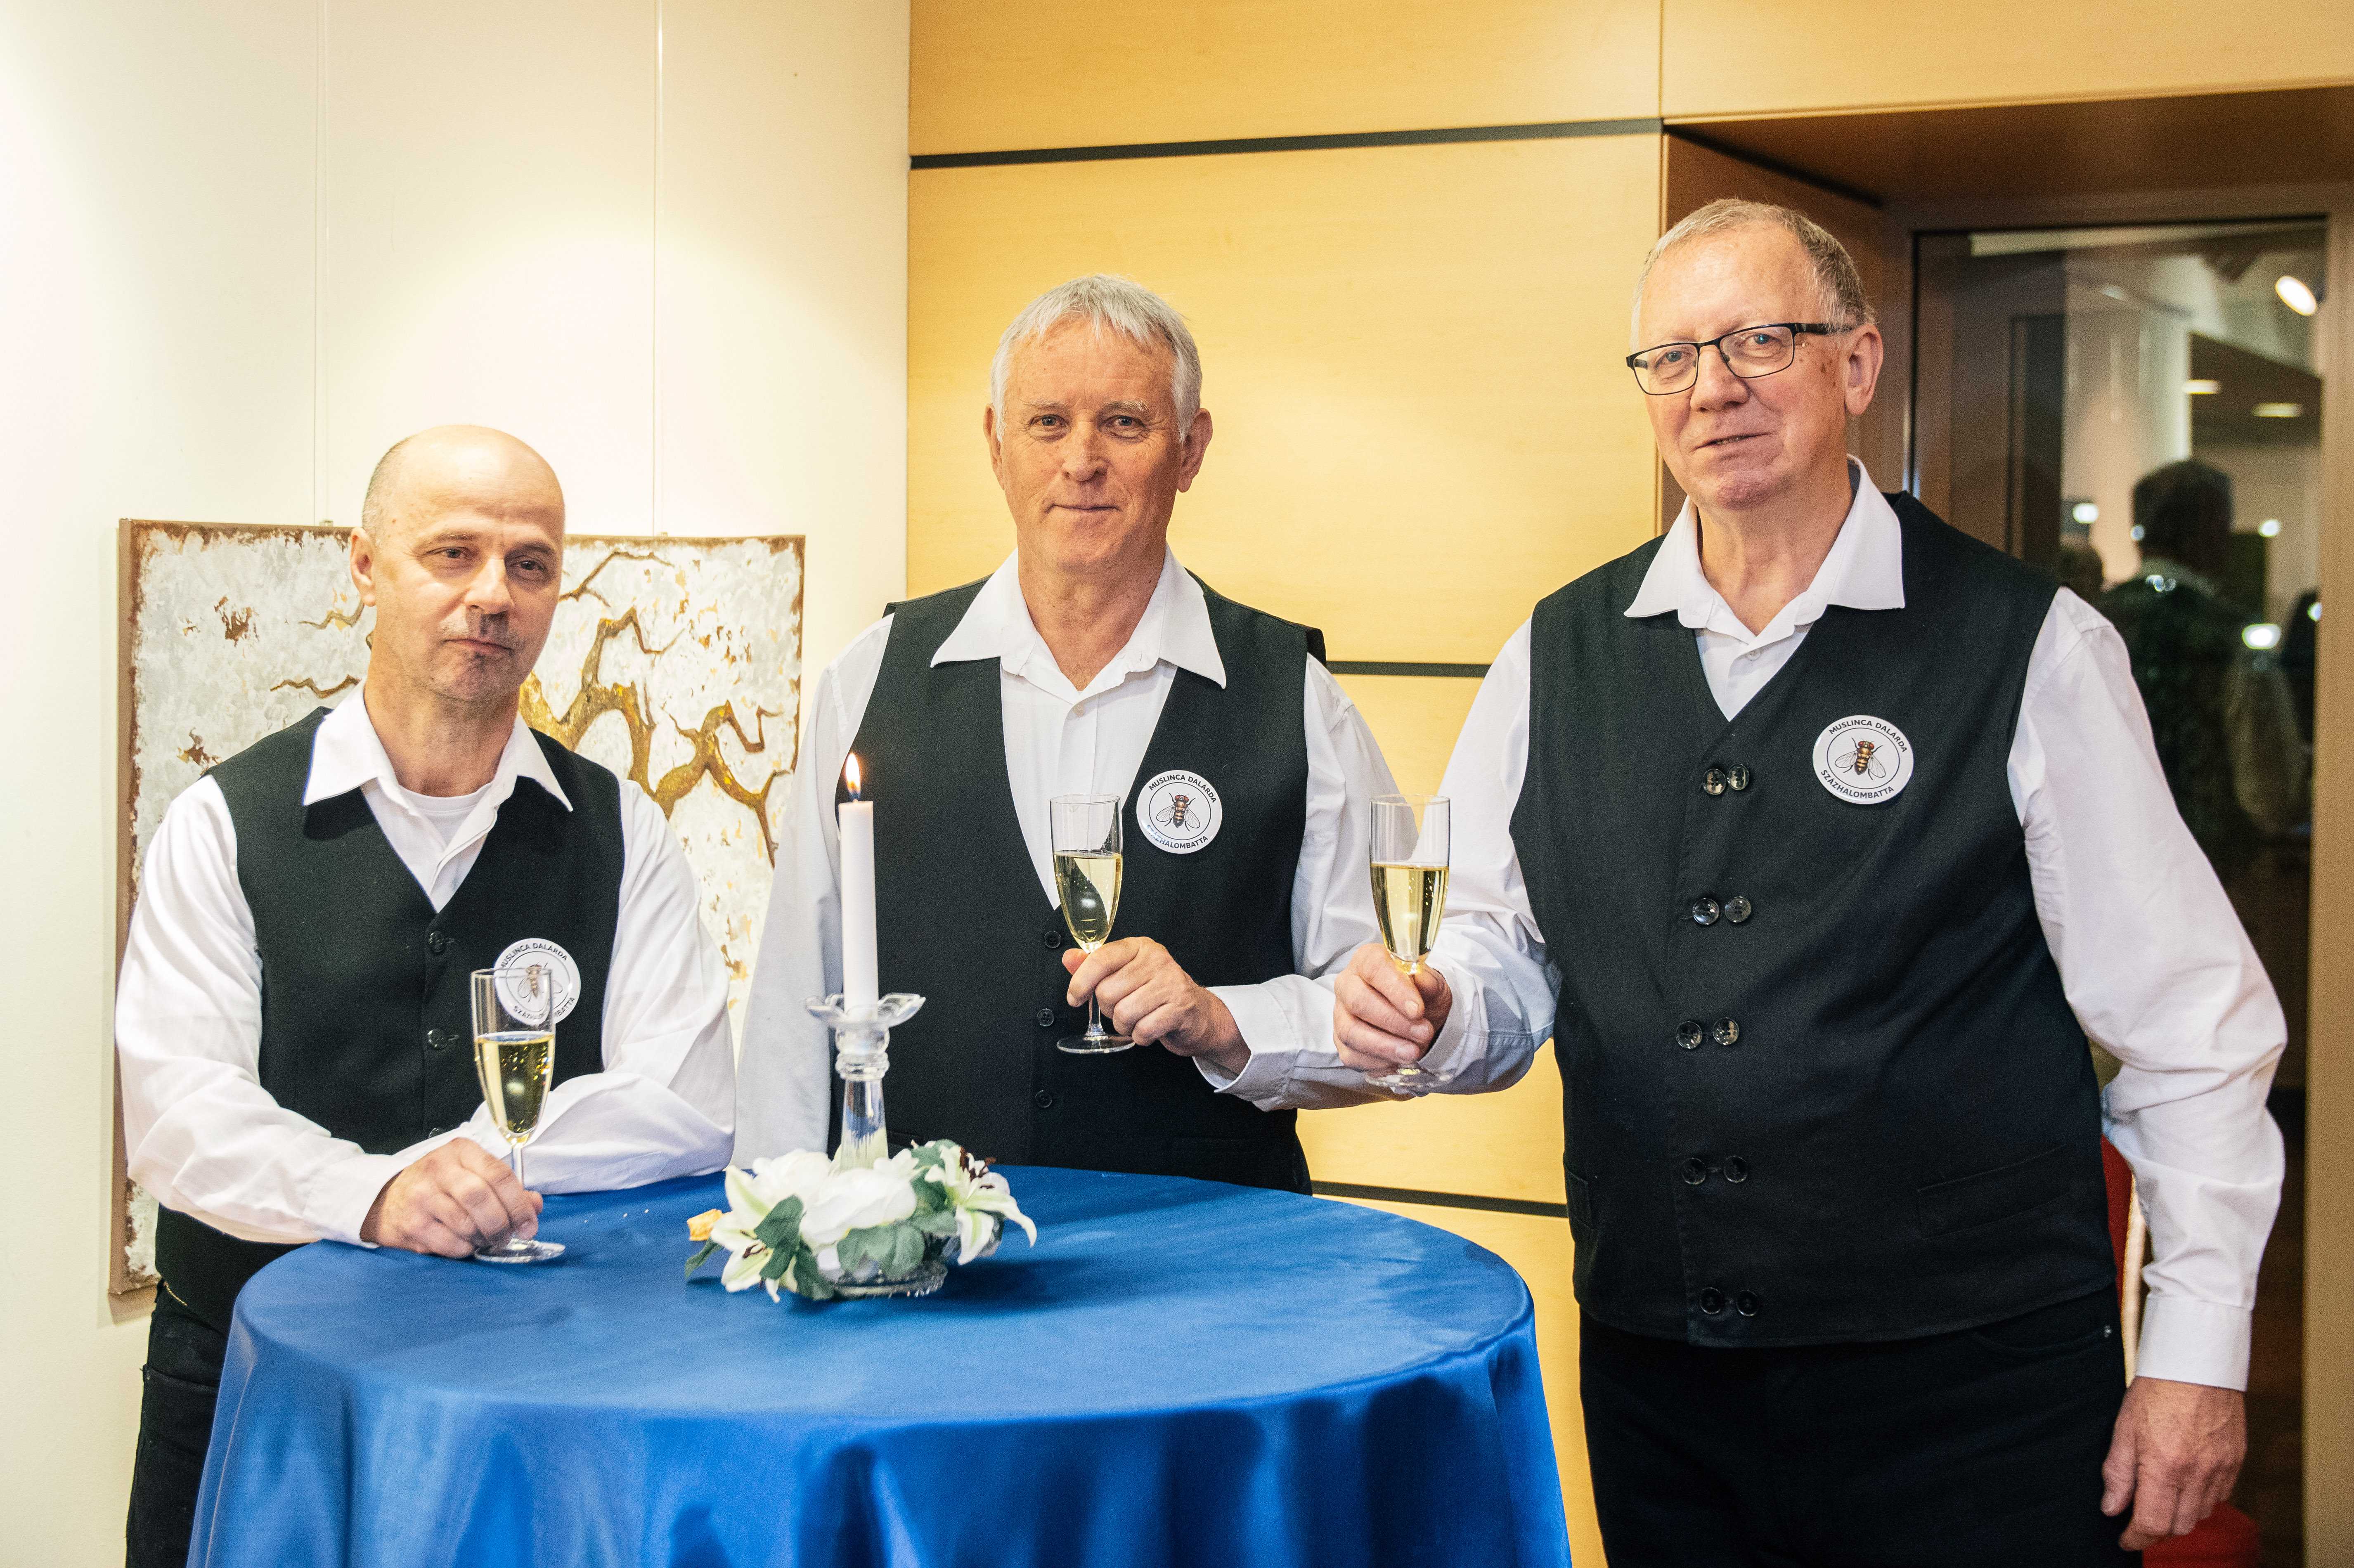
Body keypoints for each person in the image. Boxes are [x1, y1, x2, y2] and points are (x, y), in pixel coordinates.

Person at [1330, 201, 2284, 1563]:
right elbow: (1499, 953)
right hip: (1662, 1379)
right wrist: (1434, 1011)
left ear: (1857, 362)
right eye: (1670, 356)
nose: (1710, 386)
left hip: (1973, 1385)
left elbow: (2192, 1028)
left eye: (1758, 340)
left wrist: (2196, 1350)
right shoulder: (1552, 653)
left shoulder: (2031, 645)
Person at [116, 426, 736, 1568]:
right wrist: (375, 1192)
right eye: (452, 553)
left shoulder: (624, 832)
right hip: (256, 1387)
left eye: (529, 564)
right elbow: (179, 1113)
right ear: (364, 566)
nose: (492, 594)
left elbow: (688, 1106)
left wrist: (464, 1172)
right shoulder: (222, 823)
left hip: (540, 1396)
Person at [735, 274, 1399, 1190]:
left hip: (1216, 1256)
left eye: (1123, 423)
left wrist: (1224, 1019)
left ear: (1190, 449)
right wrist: (775, 1224)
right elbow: (790, 1005)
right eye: (1047, 422)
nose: (1081, 460)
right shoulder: (869, 678)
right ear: (995, 443)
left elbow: (1385, 1022)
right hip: (928, 1259)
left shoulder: (1298, 701)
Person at [2099, 459, 2308, 871]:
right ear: (2208, 531)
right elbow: (2270, 796)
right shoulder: (2232, 636)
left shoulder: (2093, 622)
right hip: (2208, 873)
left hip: (2103, 861)